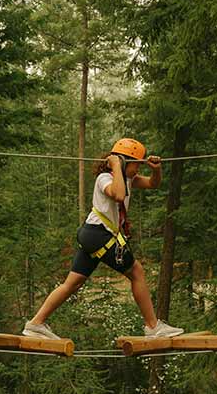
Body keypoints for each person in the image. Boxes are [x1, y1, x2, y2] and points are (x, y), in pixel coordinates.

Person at [22, 137, 184, 340]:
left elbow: (153, 183)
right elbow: (117, 195)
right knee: (136, 272)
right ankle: (153, 327)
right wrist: (116, 166)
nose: (138, 169)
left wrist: (156, 169)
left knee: (72, 283)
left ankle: (36, 324)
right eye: (136, 164)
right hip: (99, 234)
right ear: (124, 162)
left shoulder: (127, 179)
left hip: (93, 235)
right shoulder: (105, 179)